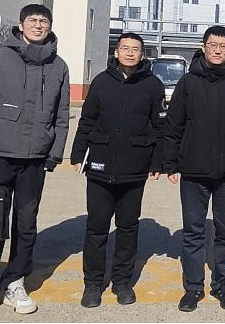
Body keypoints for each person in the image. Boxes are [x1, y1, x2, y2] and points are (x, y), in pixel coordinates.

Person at [0, 4, 71, 323]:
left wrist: (54, 153)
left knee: (26, 224)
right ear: (21, 25)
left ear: (50, 26)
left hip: (35, 159)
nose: (38, 25)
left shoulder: (58, 65)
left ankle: (15, 282)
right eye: (33, 20)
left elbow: (62, 115)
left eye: (44, 21)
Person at [162, 26, 225, 312]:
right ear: (203, 47)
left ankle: (223, 284)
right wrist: (171, 163)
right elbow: (173, 124)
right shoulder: (188, 82)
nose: (217, 50)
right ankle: (193, 287)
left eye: (223, 46)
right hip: (193, 171)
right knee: (193, 232)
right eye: (213, 45)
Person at [69, 32, 166, 308]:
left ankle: (122, 281)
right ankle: (93, 283)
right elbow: (87, 120)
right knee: (96, 227)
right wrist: (78, 154)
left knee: (128, 227)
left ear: (142, 55)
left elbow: (160, 127)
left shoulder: (153, 84)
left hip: (135, 167)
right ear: (116, 52)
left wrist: (157, 161)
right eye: (125, 48)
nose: (130, 53)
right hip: (100, 166)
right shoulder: (101, 82)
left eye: (136, 49)